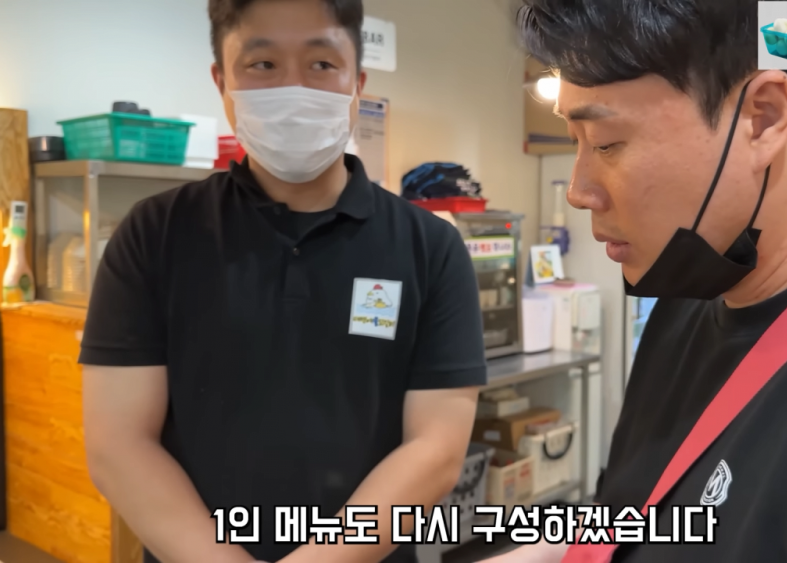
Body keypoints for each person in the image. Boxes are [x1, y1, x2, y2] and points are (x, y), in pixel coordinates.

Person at [489, 0, 787, 562]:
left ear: (762, 118)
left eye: (607, 142)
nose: (579, 190)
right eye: (576, 142)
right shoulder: (692, 292)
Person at [79, 1, 487, 562]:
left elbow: (435, 450)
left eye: (321, 64)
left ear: (357, 83)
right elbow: (119, 445)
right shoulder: (154, 233)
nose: (294, 89)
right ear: (222, 82)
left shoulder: (431, 247)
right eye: (263, 64)